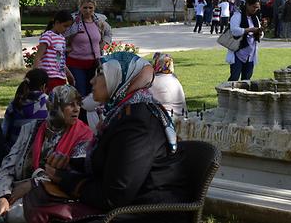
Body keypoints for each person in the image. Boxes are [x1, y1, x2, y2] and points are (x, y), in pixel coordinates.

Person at [35, 52, 184, 221]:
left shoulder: (137, 122)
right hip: (130, 205)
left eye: (100, 74)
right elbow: (112, 163)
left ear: (119, 77)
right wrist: (70, 164)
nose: (92, 80)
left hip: (148, 212)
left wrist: (65, 180)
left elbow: (116, 195)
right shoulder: (124, 112)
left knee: (45, 210)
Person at [0, 85, 93, 223]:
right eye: (70, 104)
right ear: (54, 106)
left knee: (15, 215)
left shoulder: (84, 136)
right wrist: (2, 197)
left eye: (78, 104)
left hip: (52, 200)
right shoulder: (31, 128)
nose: (77, 109)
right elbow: (7, 166)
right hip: (16, 193)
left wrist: (33, 184)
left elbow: (73, 175)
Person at [65, 0, 113, 97]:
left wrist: (103, 43)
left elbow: (109, 33)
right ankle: (79, 113)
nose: (88, 10)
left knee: (93, 93)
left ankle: (91, 113)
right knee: (80, 93)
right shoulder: (74, 22)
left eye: (90, 8)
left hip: (94, 63)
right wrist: (66, 47)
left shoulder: (99, 22)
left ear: (94, 8)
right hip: (76, 63)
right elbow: (62, 34)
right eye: (85, 7)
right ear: (80, 7)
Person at [2, 69, 50, 150]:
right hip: (37, 153)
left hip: (13, 152)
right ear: (44, 87)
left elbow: (4, 131)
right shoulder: (49, 103)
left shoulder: (15, 103)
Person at [33, 11, 74, 92]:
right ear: (57, 23)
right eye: (65, 26)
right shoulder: (48, 36)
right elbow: (38, 56)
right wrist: (35, 76)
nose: (66, 29)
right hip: (49, 77)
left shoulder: (62, 38)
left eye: (68, 27)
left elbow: (59, 59)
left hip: (60, 77)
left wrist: (68, 74)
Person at [226, 0, 262, 81]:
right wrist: (250, 30)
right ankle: (228, 94)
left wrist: (260, 33)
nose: (255, 9)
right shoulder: (237, 15)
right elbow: (234, 30)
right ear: (248, 5)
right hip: (238, 52)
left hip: (250, 53)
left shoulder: (255, 18)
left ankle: (243, 94)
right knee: (234, 78)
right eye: (254, 7)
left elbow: (259, 32)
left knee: (246, 79)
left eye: (257, 8)